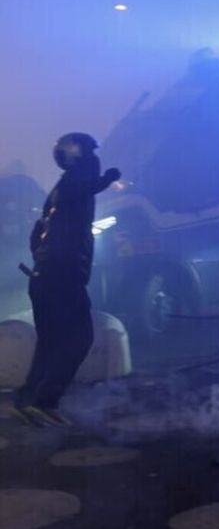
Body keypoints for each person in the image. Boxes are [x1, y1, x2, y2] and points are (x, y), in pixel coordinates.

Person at [13, 133, 121, 426]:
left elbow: (36, 235)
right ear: (78, 157)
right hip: (63, 278)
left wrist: (43, 262)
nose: (95, 161)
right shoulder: (76, 184)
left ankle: (27, 401)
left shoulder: (57, 194)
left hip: (43, 277)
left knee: (50, 343)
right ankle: (44, 401)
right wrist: (108, 178)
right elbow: (85, 185)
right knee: (78, 338)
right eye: (90, 155)